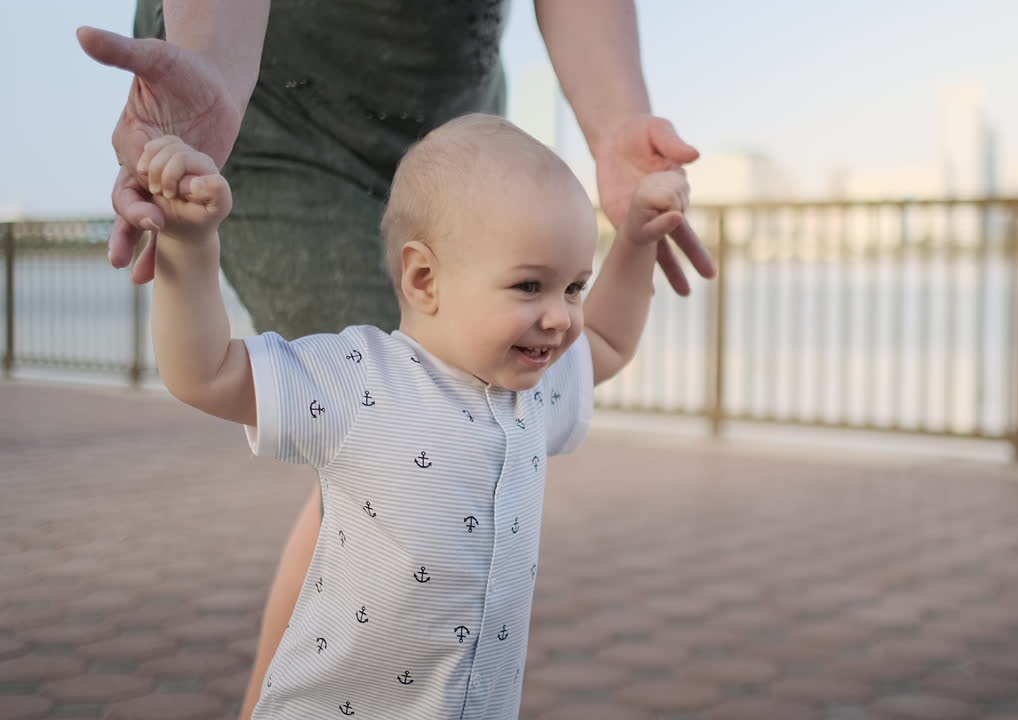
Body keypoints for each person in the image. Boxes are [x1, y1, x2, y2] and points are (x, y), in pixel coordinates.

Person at [77, 2, 714, 714]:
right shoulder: (361, 381)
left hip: (444, 107)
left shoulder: (532, 389)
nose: (561, 317)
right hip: (283, 101)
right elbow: (206, 373)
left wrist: (635, 241)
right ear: (423, 279)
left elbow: (609, 343)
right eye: (530, 287)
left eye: (574, 287)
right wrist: (189, 245)